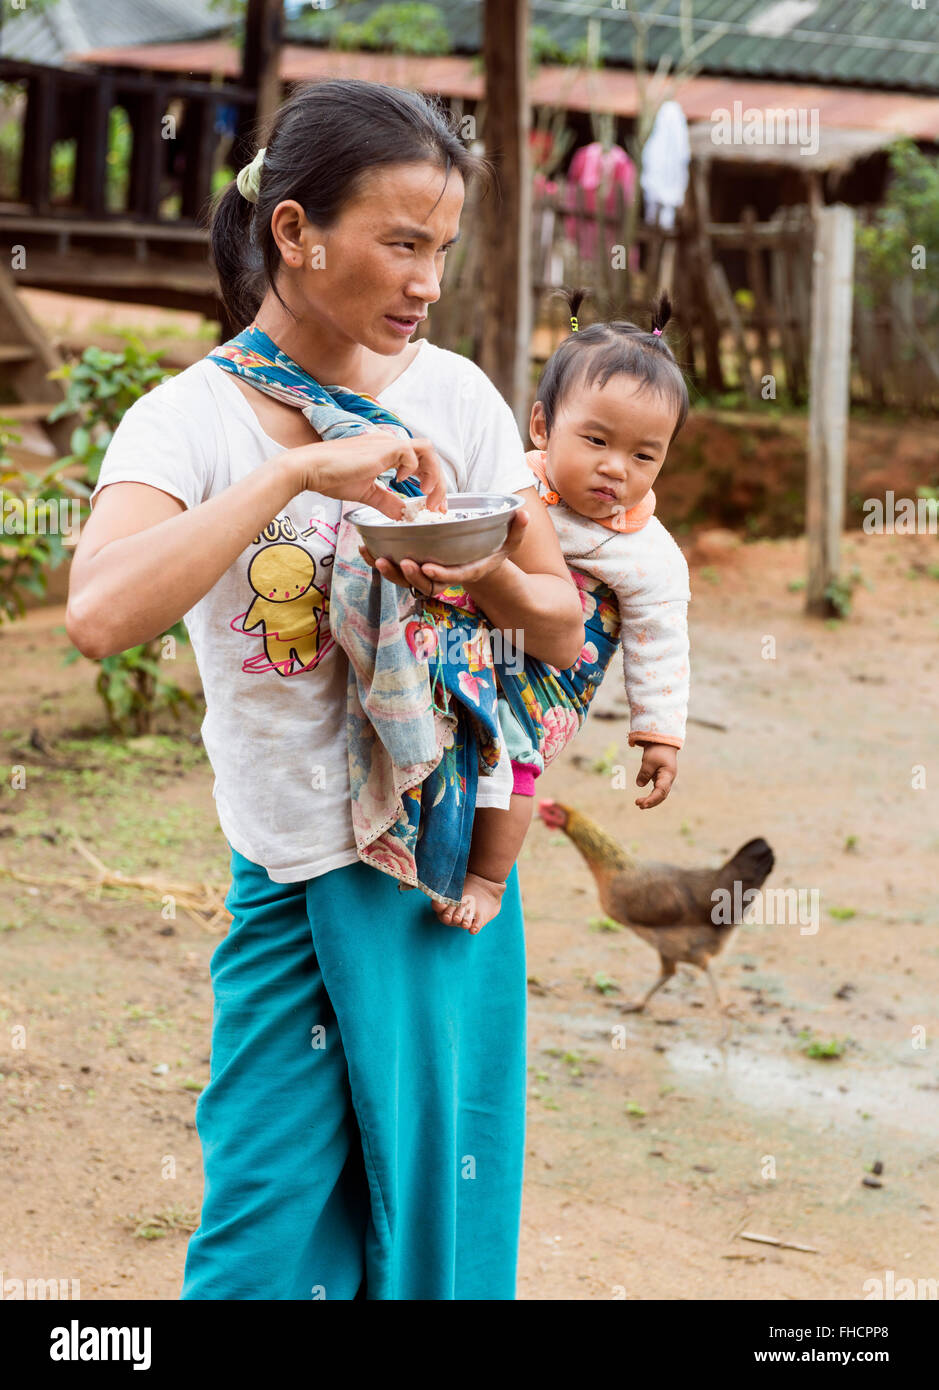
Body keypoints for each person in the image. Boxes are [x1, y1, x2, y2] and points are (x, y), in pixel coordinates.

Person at [65, 79, 585, 1301]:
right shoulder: (184, 422)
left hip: (443, 870)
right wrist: (299, 469)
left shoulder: (453, 392)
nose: (427, 282)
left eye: (442, 249)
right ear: (294, 233)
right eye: (401, 243)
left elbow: (559, 624)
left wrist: (463, 571)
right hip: (296, 882)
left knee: (437, 1236)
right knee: (263, 1242)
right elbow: (98, 613)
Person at [438, 289, 692, 934]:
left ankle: (487, 881)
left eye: (644, 455)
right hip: (471, 651)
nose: (616, 470)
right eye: (597, 439)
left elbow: (661, 641)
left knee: (512, 766)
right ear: (543, 427)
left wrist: (659, 734)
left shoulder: (648, 553)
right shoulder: (510, 485)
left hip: (550, 683)